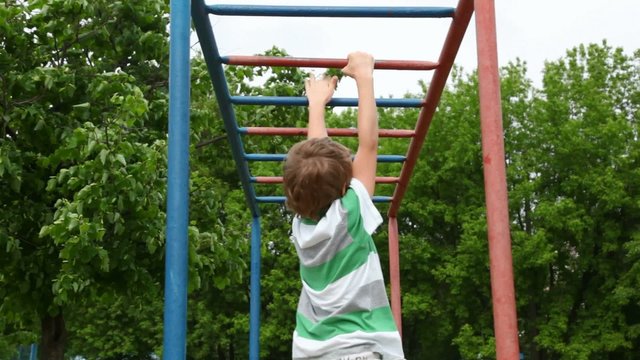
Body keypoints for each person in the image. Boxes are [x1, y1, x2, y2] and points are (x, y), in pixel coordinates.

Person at [283, 52, 405, 360]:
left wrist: (315, 107)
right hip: (362, 347)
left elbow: (316, 168)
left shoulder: (302, 226)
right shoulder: (350, 212)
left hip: (314, 350)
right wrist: (364, 77)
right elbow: (369, 144)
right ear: (342, 187)